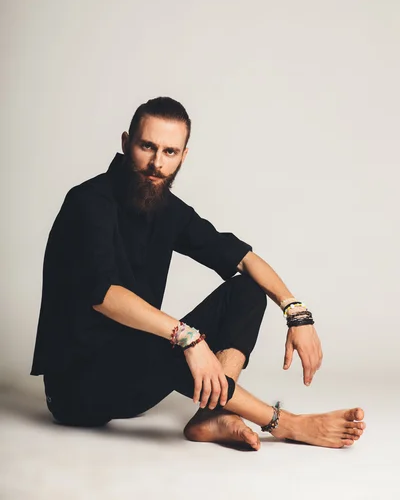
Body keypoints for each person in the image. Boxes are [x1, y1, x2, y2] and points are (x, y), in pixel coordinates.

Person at [30, 97, 366, 450]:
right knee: (168, 337)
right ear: (126, 142)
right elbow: (104, 297)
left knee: (248, 291)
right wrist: (187, 337)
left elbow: (244, 258)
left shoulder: (166, 209)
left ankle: (211, 414)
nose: (157, 163)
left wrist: (296, 313)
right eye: (147, 147)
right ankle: (285, 423)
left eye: (170, 152)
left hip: (136, 377)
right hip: (77, 391)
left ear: (183, 156)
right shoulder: (88, 202)